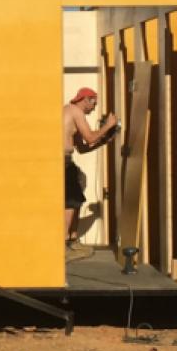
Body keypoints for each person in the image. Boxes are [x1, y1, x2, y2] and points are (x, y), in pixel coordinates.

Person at [62, 87, 119, 244]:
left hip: (66, 161)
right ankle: (64, 239)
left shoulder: (70, 111)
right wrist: (108, 125)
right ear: (86, 100)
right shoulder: (76, 111)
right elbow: (89, 137)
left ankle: (72, 237)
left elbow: (82, 148)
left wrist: (105, 140)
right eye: (94, 104)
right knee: (71, 200)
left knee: (77, 194)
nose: (94, 109)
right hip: (62, 162)